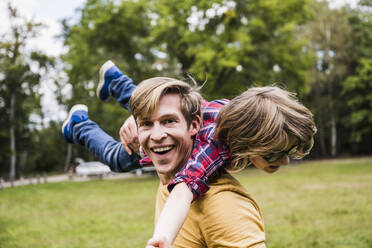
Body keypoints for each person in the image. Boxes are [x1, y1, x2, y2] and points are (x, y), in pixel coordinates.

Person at [62, 61, 316, 247]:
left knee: (167, 108)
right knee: (117, 158)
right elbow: (183, 190)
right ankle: (79, 125)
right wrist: (163, 237)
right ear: (253, 142)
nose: (284, 160)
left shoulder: (237, 112)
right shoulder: (213, 147)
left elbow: (184, 105)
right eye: (277, 153)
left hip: (181, 131)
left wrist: (141, 119)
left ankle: (116, 81)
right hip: (173, 146)